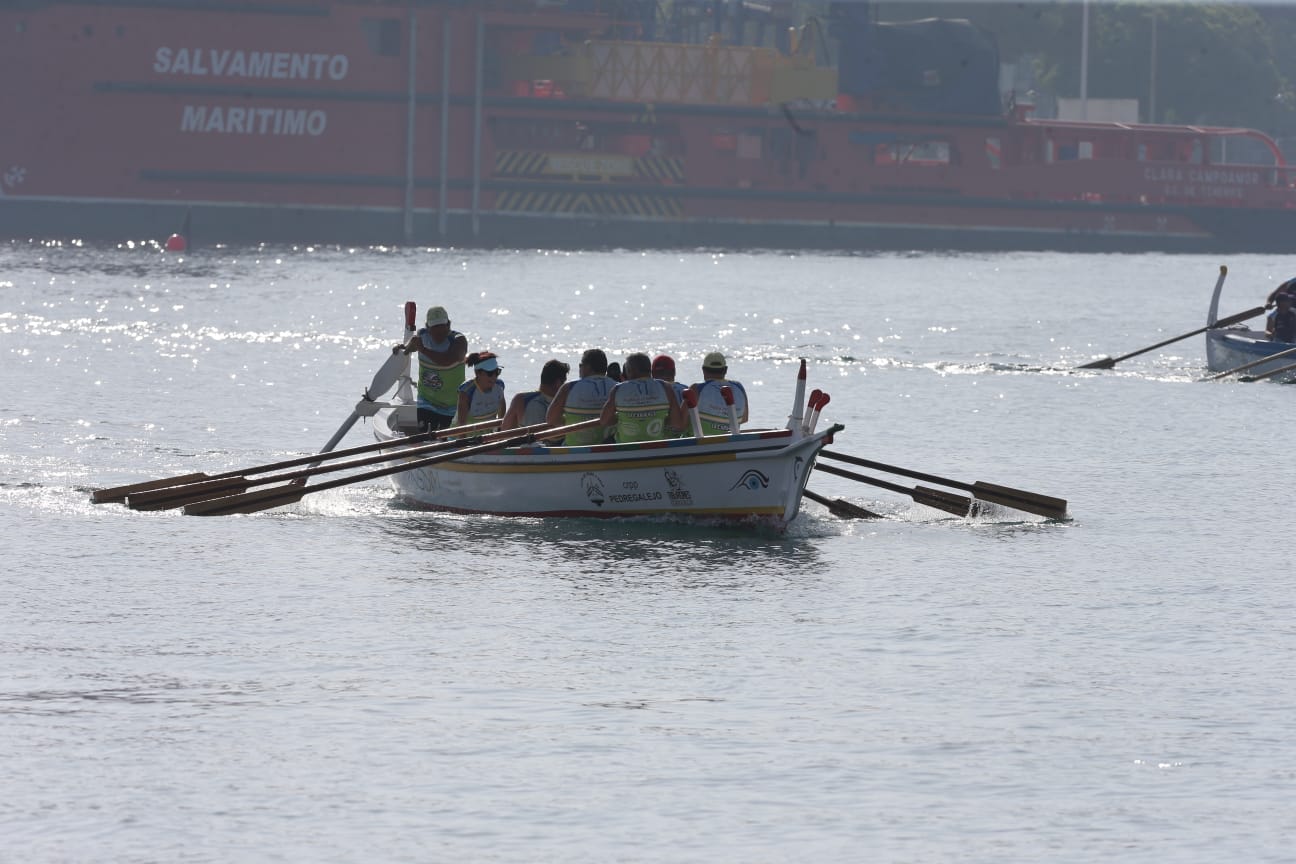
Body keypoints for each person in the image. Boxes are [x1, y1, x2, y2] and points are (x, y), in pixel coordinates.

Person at [395, 305, 468, 431]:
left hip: (453, 406)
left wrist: (422, 349)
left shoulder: (459, 341)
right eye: (435, 327)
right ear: (428, 327)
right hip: (427, 402)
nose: (439, 331)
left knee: (446, 443)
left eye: (442, 326)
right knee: (425, 436)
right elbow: (409, 348)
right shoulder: (421, 337)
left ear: (449, 325)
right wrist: (401, 347)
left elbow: (447, 361)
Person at [599, 353, 684, 443]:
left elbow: (604, 421)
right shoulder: (665, 387)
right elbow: (677, 423)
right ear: (649, 370)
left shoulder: (618, 389)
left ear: (629, 371)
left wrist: (622, 418)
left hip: (625, 448)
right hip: (656, 447)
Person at [546, 348, 617, 445]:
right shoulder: (618, 387)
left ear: (587, 367)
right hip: (609, 447)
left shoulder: (569, 388)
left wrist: (568, 421)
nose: (579, 367)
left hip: (576, 448)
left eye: (581, 365)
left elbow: (551, 419)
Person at [688, 351, 749, 435]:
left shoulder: (696, 388)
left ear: (703, 370)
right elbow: (744, 418)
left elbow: (680, 423)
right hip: (731, 441)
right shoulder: (739, 387)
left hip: (702, 443)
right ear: (725, 370)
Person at [500, 359, 569, 430]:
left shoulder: (520, 399)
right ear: (558, 383)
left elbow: (504, 429)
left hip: (526, 440)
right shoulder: (565, 404)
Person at [453, 352, 507, 426]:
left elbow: (501, 417)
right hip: (462, 435)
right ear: (478, 373)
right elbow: (461, 424)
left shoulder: (500, 386)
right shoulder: (466, 391)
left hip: (488, 434)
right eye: (490, 373)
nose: (494, 377)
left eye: (497, 372)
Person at [651, 353, 689, 437]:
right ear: (674, 371)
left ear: (652, 373)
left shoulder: (648, 391)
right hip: (682, 442)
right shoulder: (687, 390)